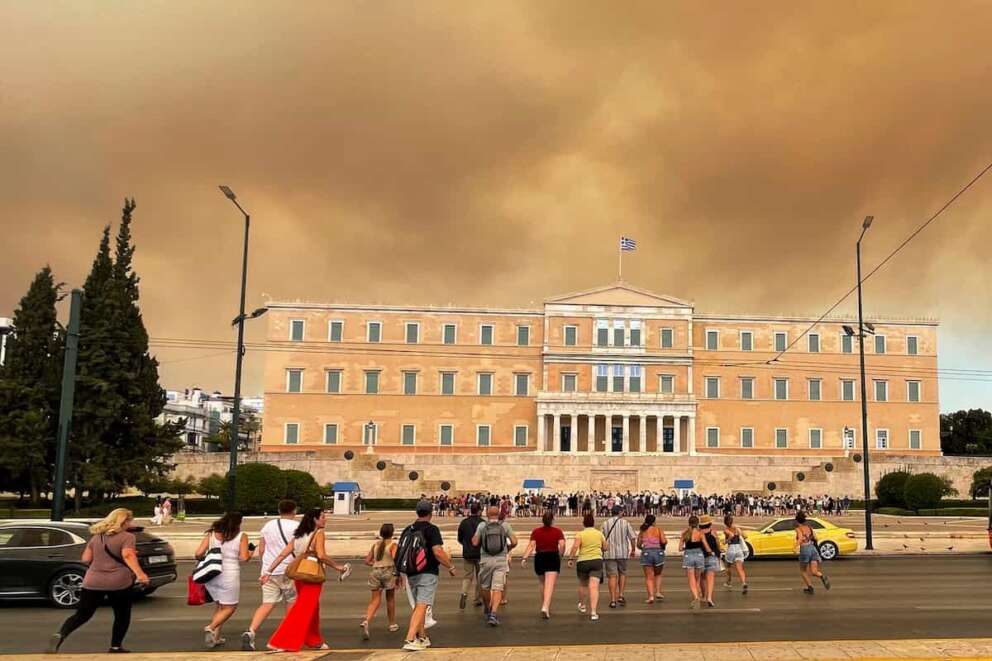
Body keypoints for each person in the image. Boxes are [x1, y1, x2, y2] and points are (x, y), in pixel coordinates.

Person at [48, 509, 150, 654]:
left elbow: (86, 559)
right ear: (124, 521)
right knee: (122, 615)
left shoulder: (97, 537)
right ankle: (115, 646)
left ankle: (61, 634)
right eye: (130, 521)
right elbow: (127, 555)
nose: (130, 524)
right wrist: (140, 574)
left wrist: (101, 563)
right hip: (118, 582)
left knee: (82, 614)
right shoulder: (127, 537)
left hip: (92, 581)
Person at [265, 508, 351, 652]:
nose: (325, 519)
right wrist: (338, 567)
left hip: (300, 574)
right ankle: (281, 641)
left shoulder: (300, 535)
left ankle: (314, 640)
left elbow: (282, 554)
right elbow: (321, 555)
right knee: (303, 609)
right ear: (315, 520)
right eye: (322, 517)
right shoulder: (319, 533)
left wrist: (269, 571)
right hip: (312, 575)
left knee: (312, 609)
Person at [399, 500, 458, 651]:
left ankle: (422, 637)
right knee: (422, 605)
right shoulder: (432, 529)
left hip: (411, 572)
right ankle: (410, 638)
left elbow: (400, 552)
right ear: (431, 513)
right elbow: (437, 551)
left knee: (418, 606)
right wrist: (450, 566)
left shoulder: (408, 529)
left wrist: (398, 573)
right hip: (427, 571)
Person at [242, 500, 299, 651]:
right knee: (291, 602)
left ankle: (251, 631)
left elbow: (262, 548)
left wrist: (265, 567)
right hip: (289, 570)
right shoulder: (297, 526)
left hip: (269, 570)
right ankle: (287, 636)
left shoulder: (268, 525)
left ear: (279, 510)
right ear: (294, 511)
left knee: (267, 603)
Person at [195, 512, 251, 648]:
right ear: (238, 523)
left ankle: (216, 637)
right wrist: (251, 552)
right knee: (230, 607)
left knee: (220, 606)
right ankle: (211, 627)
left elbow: (198, 553)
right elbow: (244, 557)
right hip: (229, 574)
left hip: (212, 573)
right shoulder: (241, 536)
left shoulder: (212, 534)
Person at [471, 505, 517, 626]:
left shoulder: (482, 525)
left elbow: (474, 542)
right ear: (499, 514)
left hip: (485, 559)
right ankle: (494, 613)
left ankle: (487, 607)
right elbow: (514, 541)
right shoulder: (505, 525)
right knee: (498, 587)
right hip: (500, 560)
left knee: (485, 587)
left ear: (487, 514)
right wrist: (508, 548)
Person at [520, 510, 566, 619]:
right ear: (552, 520)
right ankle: (545, 607)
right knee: (550, 584)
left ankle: (545, 603)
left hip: (540, 557)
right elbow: (562, 544)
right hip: (552, 556)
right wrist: (561, 554)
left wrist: (525, 558)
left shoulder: (536, 531)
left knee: (542, 582)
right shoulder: (558, 531)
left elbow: (531, 546)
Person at [360, 523, 399, 639]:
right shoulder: (393, 545)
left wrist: (377, 564)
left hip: (375, 572)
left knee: (375, 600)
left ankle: (367, 620)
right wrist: (398, 575)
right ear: (392, 533)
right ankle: (392, 624)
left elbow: (367, 561)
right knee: (390, 599)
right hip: (388, 572)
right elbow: (396, 560)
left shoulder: (376, 545)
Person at [567, 513, 607, 621]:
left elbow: (575, 546)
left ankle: (582, 605)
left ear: (584, 523)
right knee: (594, 587)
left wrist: (570, 558)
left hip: (583, 561)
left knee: (583, 584)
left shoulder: (580, 534)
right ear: (593, 523)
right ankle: (593, 612)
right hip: (596, 560)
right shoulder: (599, 534)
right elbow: (605, 547)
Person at [601, 505, 637, 609]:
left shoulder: (605, 523)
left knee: (612, 576)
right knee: (622, 573)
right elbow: (632, 537)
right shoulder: (625, 523)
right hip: (622, 553)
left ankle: (613, 600)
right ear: (620, 512)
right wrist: (633, 549)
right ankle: (620, 595)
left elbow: (601, 538)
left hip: (609, 553)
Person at [679, 514, 712, 610]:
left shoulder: (684, 533)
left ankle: (696, 597)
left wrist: (686, 548)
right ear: (698, 523)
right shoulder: (700, 533)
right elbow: (707, 547)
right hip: (699, 556)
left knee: (691, 580)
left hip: (688, 556)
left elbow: (680, 548)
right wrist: (711, 552)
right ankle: (697, 596)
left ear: (689, 523)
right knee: (697, 579)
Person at [794, 511, 830, 594]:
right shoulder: (810, 527)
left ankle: (810, 588)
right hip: (813, 549)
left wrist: (795, 547)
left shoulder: (798, 529)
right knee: (814, 571)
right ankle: (822, 576)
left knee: (803, 570)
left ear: (797, 521)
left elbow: (800, 538)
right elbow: (816, 538)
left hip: (805, 549)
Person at [456, 502, 484, 610]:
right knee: (480, 577)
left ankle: (464, 593)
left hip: (467, 552)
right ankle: (477, 599)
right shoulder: (483, 523)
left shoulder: (464, 522)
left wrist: (466, 545)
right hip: (480, 553)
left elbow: (459, 538)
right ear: (479, 511)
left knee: (467, 575)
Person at [636, 513, 667, 604]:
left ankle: (651, 596)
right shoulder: (658, 530)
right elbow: (663, 541)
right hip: (658, 552)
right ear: (653, 522)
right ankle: (658, 592)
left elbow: (638, 544)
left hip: (646, 552)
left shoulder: (642, 531)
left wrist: (643, 548)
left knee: (649, 577)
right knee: (658, 574)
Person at [722, 514, 748, 594]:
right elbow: (745, 536)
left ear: (725, 522)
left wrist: (726, 541)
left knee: (728, 566)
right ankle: (743, 583)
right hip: (739, 549)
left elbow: (731, 535)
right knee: (740, 568)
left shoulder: (726, 529)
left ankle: (728, 582)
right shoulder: (737, 528)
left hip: (731, 548)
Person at [699, 515, 721, 608]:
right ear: (709, 524)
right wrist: (719, 554)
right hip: (712, 556)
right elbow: (718, 544)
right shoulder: (713, 532)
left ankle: (703, 596)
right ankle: (709, 597)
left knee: (702, 578)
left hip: (701, 556)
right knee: (710, 579)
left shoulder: (699, 533)